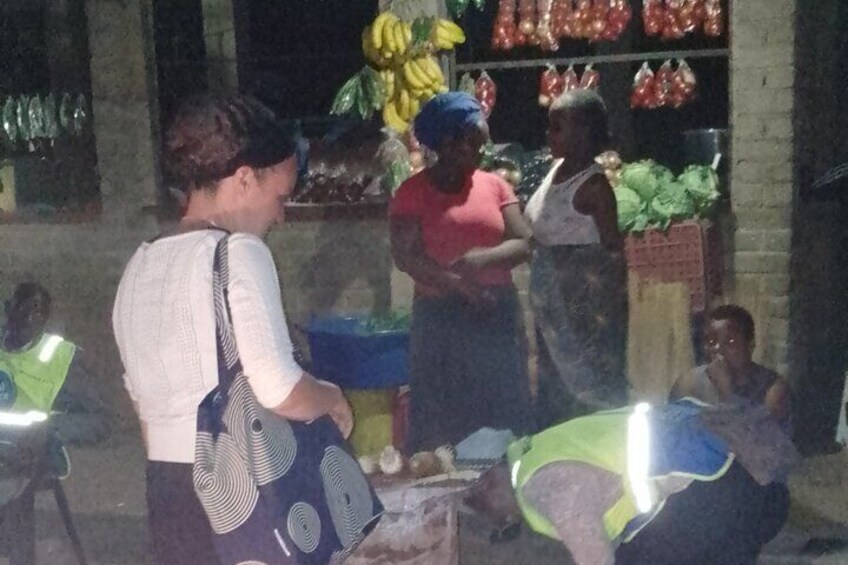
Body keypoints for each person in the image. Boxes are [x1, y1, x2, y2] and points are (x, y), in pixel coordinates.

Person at [112, 94, 354, 565]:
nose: (280, 216)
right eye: (279, 198)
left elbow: (144, 409)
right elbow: (278, 388)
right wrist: (332, 398)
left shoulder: (138, 266)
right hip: (236, 493)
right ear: (245, 178)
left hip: (167, 493)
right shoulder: (238, 253)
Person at [464, 398, 795, 565]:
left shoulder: (547, 489)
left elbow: (596, 558)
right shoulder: (535, 450)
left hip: (721, 488)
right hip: (729, 461)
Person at [389, 92, 533, 452]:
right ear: (448, 143)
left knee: (502, 411)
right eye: (473, 144)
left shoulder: (495, 186)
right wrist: (457, 285)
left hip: (494, 313)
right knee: (440, 420)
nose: (480, 153)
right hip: (441, 320)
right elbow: (407, 257)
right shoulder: (412, 193)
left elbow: (524, 242)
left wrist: (479, 260)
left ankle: (500, 496)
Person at [524, 89, 628, 429]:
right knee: (555, 384)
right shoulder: (556, 170)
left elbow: (612, 253)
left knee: (586, 383)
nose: (548, 135)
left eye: (557, 127)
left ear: (583, 132)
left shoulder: (594, 187)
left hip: (581, 314)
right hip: (553, 308)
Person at [0, 281, 109, 449]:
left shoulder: (61, 359)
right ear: (9, 309)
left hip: (30, 462)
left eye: (38, 313)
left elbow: (100, 420)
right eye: (25, 309)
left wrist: (51, 430)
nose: (30, 318)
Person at [673, 304, 792, 431]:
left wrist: (727, 394)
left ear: (750, 345)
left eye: (730, 342)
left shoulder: (773, 390)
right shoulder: (689, 383)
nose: (718, 350)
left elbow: (757, 442)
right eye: (711, 342)